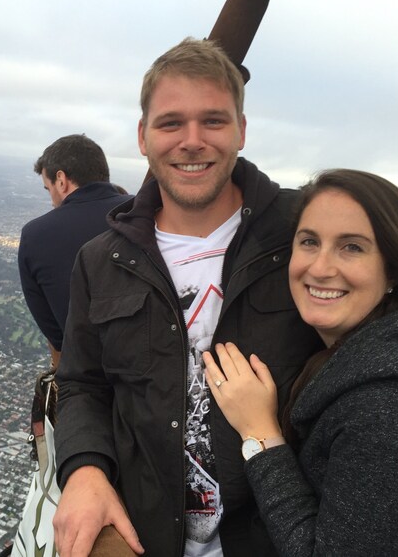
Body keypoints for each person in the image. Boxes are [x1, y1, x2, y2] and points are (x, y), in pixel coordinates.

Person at [53, 38, 324, 557]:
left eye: (214, 121)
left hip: (282, 534)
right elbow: (82, 384)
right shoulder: (100, 260)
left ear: (241, 131)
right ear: (143, 137)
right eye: (171, 123)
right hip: (148, 535)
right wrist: (85, 469)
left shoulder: (302, 233)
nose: (192, 141)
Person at [203, 170, 398, 555]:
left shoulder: (387, 403)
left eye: (352, 247)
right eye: (310, 242)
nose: (320, 268)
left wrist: (259, 433)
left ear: (394, 269)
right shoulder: (374, 349)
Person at [18, 134, 131, 358]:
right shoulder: (148, 210)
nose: (51, 200)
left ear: (61, 180)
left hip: (93, 378)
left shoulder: (36, 236)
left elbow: (57, 336)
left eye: (47, 188)